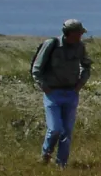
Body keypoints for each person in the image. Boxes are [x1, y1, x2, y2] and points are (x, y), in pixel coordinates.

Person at [31, 19, 93, 166]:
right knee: (55, 129)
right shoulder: (51, 45)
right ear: (68, 33)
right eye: (78, 33)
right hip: (53, 93)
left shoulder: (80, 47)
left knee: (67, 132)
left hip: (71, 93)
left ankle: (61, 164)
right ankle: (46, 154)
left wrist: (79, 85)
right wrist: (44, 87)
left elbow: (87, 66)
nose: (80, 36)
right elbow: (36, 69)